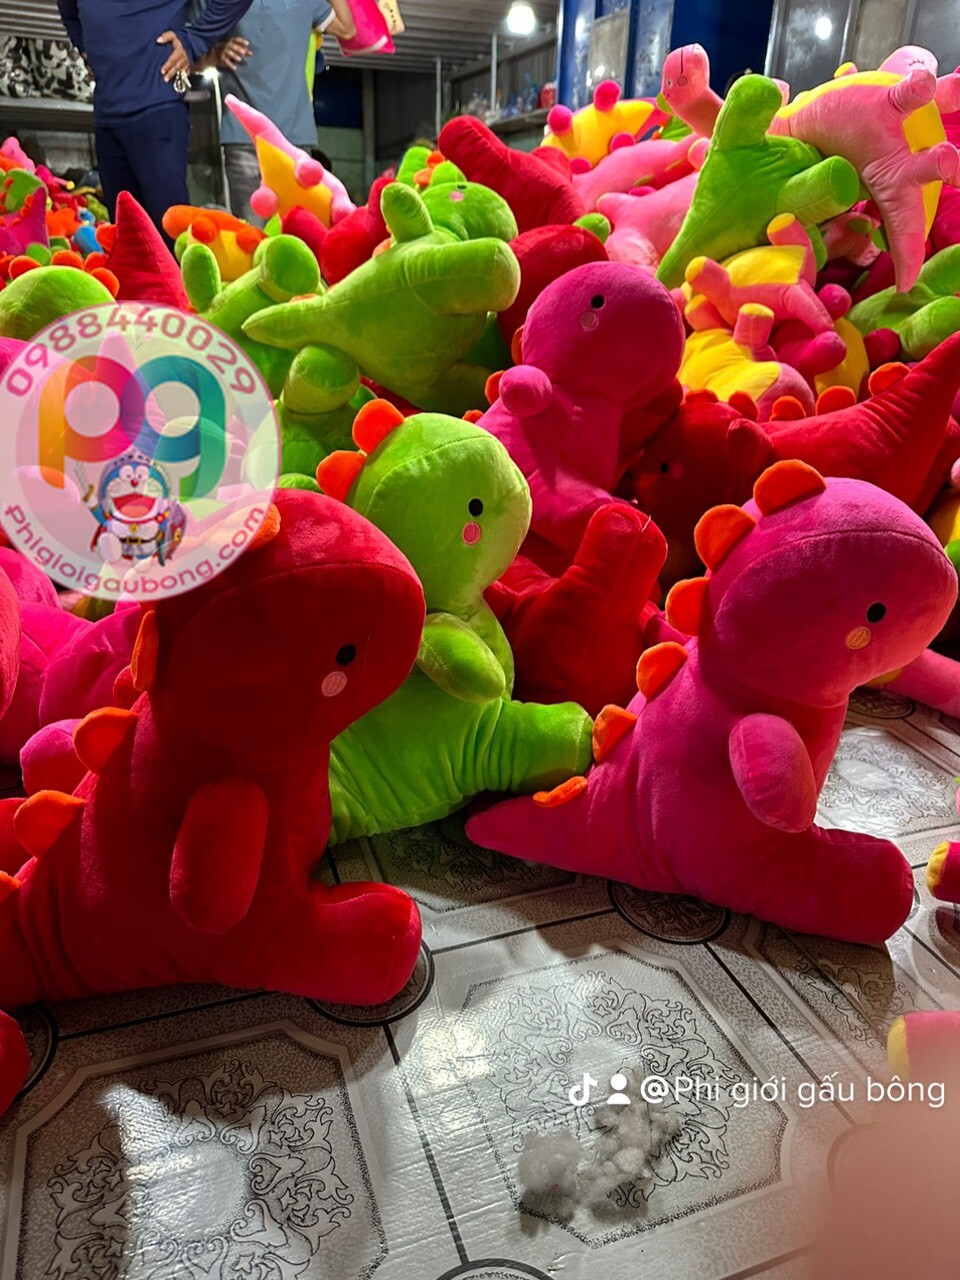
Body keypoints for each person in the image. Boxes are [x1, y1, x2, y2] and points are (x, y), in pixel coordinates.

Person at [57, 0, 254, 237]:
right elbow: (68, 10)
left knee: (167, 233)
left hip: (157, 108)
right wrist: (85, 47)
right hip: (107, 112)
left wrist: (193, 42)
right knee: (125, 237)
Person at [207, 0, 356, 223]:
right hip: (245, 137)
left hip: (293, 140)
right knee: (253, 232)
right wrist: (217, 52)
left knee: (295, 227)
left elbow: (347, 29)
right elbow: (192, 53)